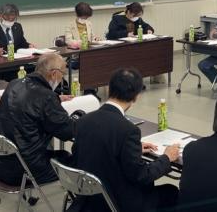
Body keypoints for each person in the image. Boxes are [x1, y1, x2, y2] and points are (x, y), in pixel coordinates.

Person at [69, 69, 179, 212]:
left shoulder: (83, 121)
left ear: (110, 89)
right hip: (118, 202)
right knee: (171, 191)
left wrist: (132, 149)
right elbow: (141, 176)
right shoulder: (128, 130)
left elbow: (84, 156)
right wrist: (166, 158)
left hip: (89, 197)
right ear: (136, 96)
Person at [0, 53, 76, 186]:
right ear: (54, 74)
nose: (62, 78)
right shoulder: (46, 96)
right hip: (27, 171)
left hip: (1, 164)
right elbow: (67, 132)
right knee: (74, 160)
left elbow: (29, 101)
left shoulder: (14, 83)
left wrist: (55, 99)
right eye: (63, 74)